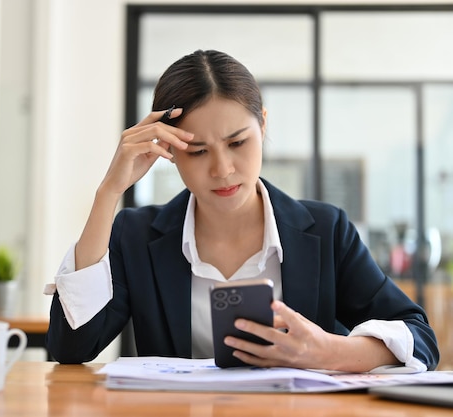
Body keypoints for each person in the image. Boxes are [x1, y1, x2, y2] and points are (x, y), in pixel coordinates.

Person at [45, 50, 439, 372]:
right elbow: (72, 346)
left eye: (237, 143)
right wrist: (108, 191)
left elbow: (419, 338)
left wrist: (327, 352)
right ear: (167, 151)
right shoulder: (136, 234)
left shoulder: (326, 229)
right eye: (197, 151)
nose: (223, 169)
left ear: (263, 125)